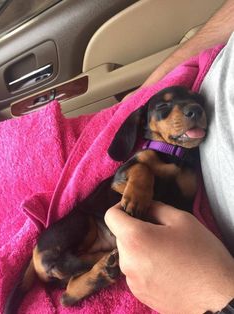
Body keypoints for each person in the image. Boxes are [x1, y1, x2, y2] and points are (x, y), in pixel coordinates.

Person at [104, 1, 234, 313]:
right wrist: (132, 103)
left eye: (194, 105)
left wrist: (216, 297)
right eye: (164, 109)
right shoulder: (146, 153)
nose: (193, 110)